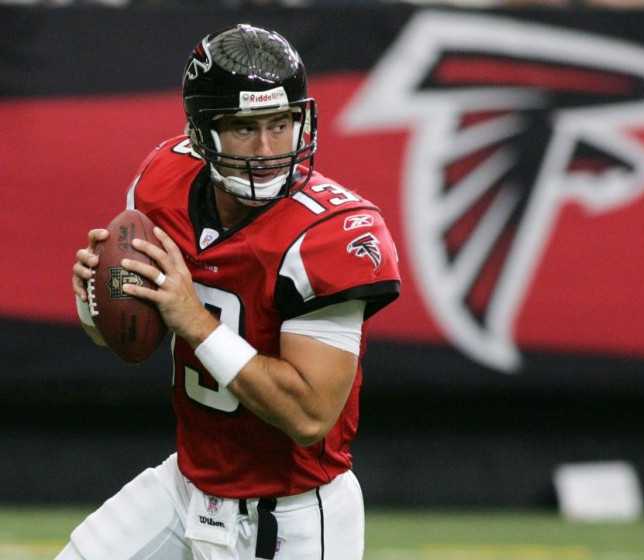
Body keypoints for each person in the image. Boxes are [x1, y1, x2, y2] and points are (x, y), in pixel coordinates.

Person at [61, 23, 400, 560]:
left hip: (292, 514)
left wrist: (194, 319)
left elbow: (309, 415)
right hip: (187, 485)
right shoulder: (162, 183)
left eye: (281, 123)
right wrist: (93, 299)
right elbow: (124, 342)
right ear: (203, 133)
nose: (267, 149)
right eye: (245, 128)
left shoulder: (334, 235)